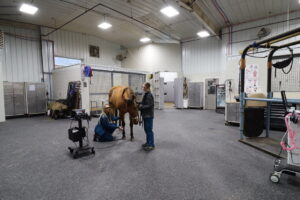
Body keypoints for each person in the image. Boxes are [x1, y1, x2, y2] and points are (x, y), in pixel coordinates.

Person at [139, 82, 155, 151]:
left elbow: (149, 105)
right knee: (146, 130)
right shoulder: (146, 94)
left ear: (147, 87)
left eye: (144, 87)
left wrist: (141, 107)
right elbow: (144, 103)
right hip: (146, 115)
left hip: (148, 115)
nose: (143, 88)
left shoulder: (149, 95)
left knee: (149, 130)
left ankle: (151, 145)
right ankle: (148, 142)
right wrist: (138, 103)